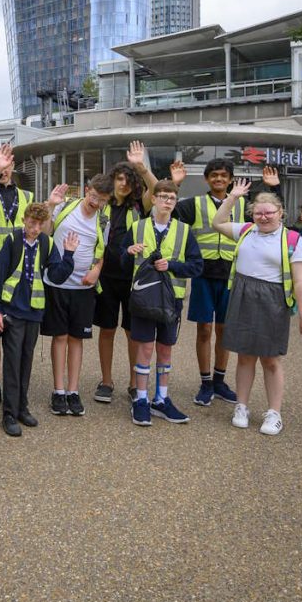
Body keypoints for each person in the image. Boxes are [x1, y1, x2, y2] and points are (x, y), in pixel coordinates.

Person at [211, 182, 302, 435]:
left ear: (280, 212)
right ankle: (242, 406)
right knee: (245, 355)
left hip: (273, 300)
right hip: (242, 295)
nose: (263, 217)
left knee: (271, 359)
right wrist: (232, 197)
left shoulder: (293, 239)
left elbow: (301, 282)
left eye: (269, 213)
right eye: (259, 213)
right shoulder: (247, 230)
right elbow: (218, 223)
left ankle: (274, 413)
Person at [169, 159, 281, 407]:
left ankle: (220, 381)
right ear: (207, 179)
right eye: (213, 175)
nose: (218, 179)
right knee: (204, 330)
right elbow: (167, 210)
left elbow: (270, 214)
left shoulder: (242, 204)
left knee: (224, 330)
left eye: (223, 176)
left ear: (230, 179)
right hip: (202, 275)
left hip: (232, 275)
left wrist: (273, 188)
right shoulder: (195, 204)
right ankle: (205, 382)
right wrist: (175, 185)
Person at [0, 143, 66, 413]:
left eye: (6, 164)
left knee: (17, 336)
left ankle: (16, 391)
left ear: (12, 166)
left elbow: (43, 227)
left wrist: (50, 206)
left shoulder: (26, 196)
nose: (3, 169)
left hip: (22, 275)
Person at [0, 203, 76, 436]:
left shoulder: (46, 243)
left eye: (40, 224)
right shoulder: (12, 241)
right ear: (24, 219)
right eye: (31, 223)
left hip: (34, 312)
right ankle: (8, 413)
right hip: (12, 311)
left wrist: (68, 255)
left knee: (26, 360)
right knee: (12, 361)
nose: (35, 228)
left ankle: (22, 407)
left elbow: (56, 275)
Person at [121, 180, 203, 427]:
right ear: (153, 199)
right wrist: (128, 253)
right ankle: (142, 400)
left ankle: (162, 399)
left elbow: (196, 266)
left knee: (165, 350)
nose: (167, 201)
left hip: (171, 301)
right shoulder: (137, 227)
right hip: (144, 299)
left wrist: (173, 266)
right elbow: (121, 263)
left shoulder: (184, 230)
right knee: (145, 349)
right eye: (163, 196)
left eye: (172, 198)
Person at [93, 141, 158, 404]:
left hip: (134, 279)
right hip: (106, 277)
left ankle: (134, 383)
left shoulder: (139, 206)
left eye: (127, 179)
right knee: (107, 330)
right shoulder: (101, 205)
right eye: (119, 179)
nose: (123, 184)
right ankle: (106, 381)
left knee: (132, 332)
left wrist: (141, 168)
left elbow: (155, 188)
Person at [45, 173, 113, 417]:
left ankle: (73, 391)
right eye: (94, 196)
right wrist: (51, 204)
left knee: (76, 339)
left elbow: (101, 251)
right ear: (87, 190)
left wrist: (96, 271)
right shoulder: (65, 206)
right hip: (58, 284)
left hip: (84, 288)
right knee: (60, 337)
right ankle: (58, 390)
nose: (96, 203)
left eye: (102, 200)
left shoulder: (104, 220)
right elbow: (45, 231)